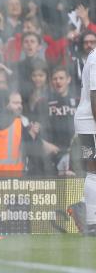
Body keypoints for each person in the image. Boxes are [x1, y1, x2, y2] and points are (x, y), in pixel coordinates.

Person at [74, 37, 96, 236]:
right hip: (90, 122)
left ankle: (83, 209)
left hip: (88, 121)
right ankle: (91, 223)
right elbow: (95, 95)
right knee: (93, 169)